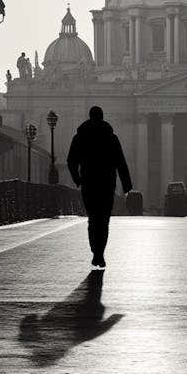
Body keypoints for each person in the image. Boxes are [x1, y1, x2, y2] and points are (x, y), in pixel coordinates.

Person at [66, 106, 132, 270]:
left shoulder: (80, 137)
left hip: (88, 182)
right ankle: (100, 253)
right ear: (102, 117)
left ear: (90, 116)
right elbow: (121, 163)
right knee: (104, 220)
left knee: (93, 219)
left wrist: (77, 179)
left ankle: (95, 252)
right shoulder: (111, 138)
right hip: (107, 183)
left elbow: (71, 161)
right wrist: (127, 186)